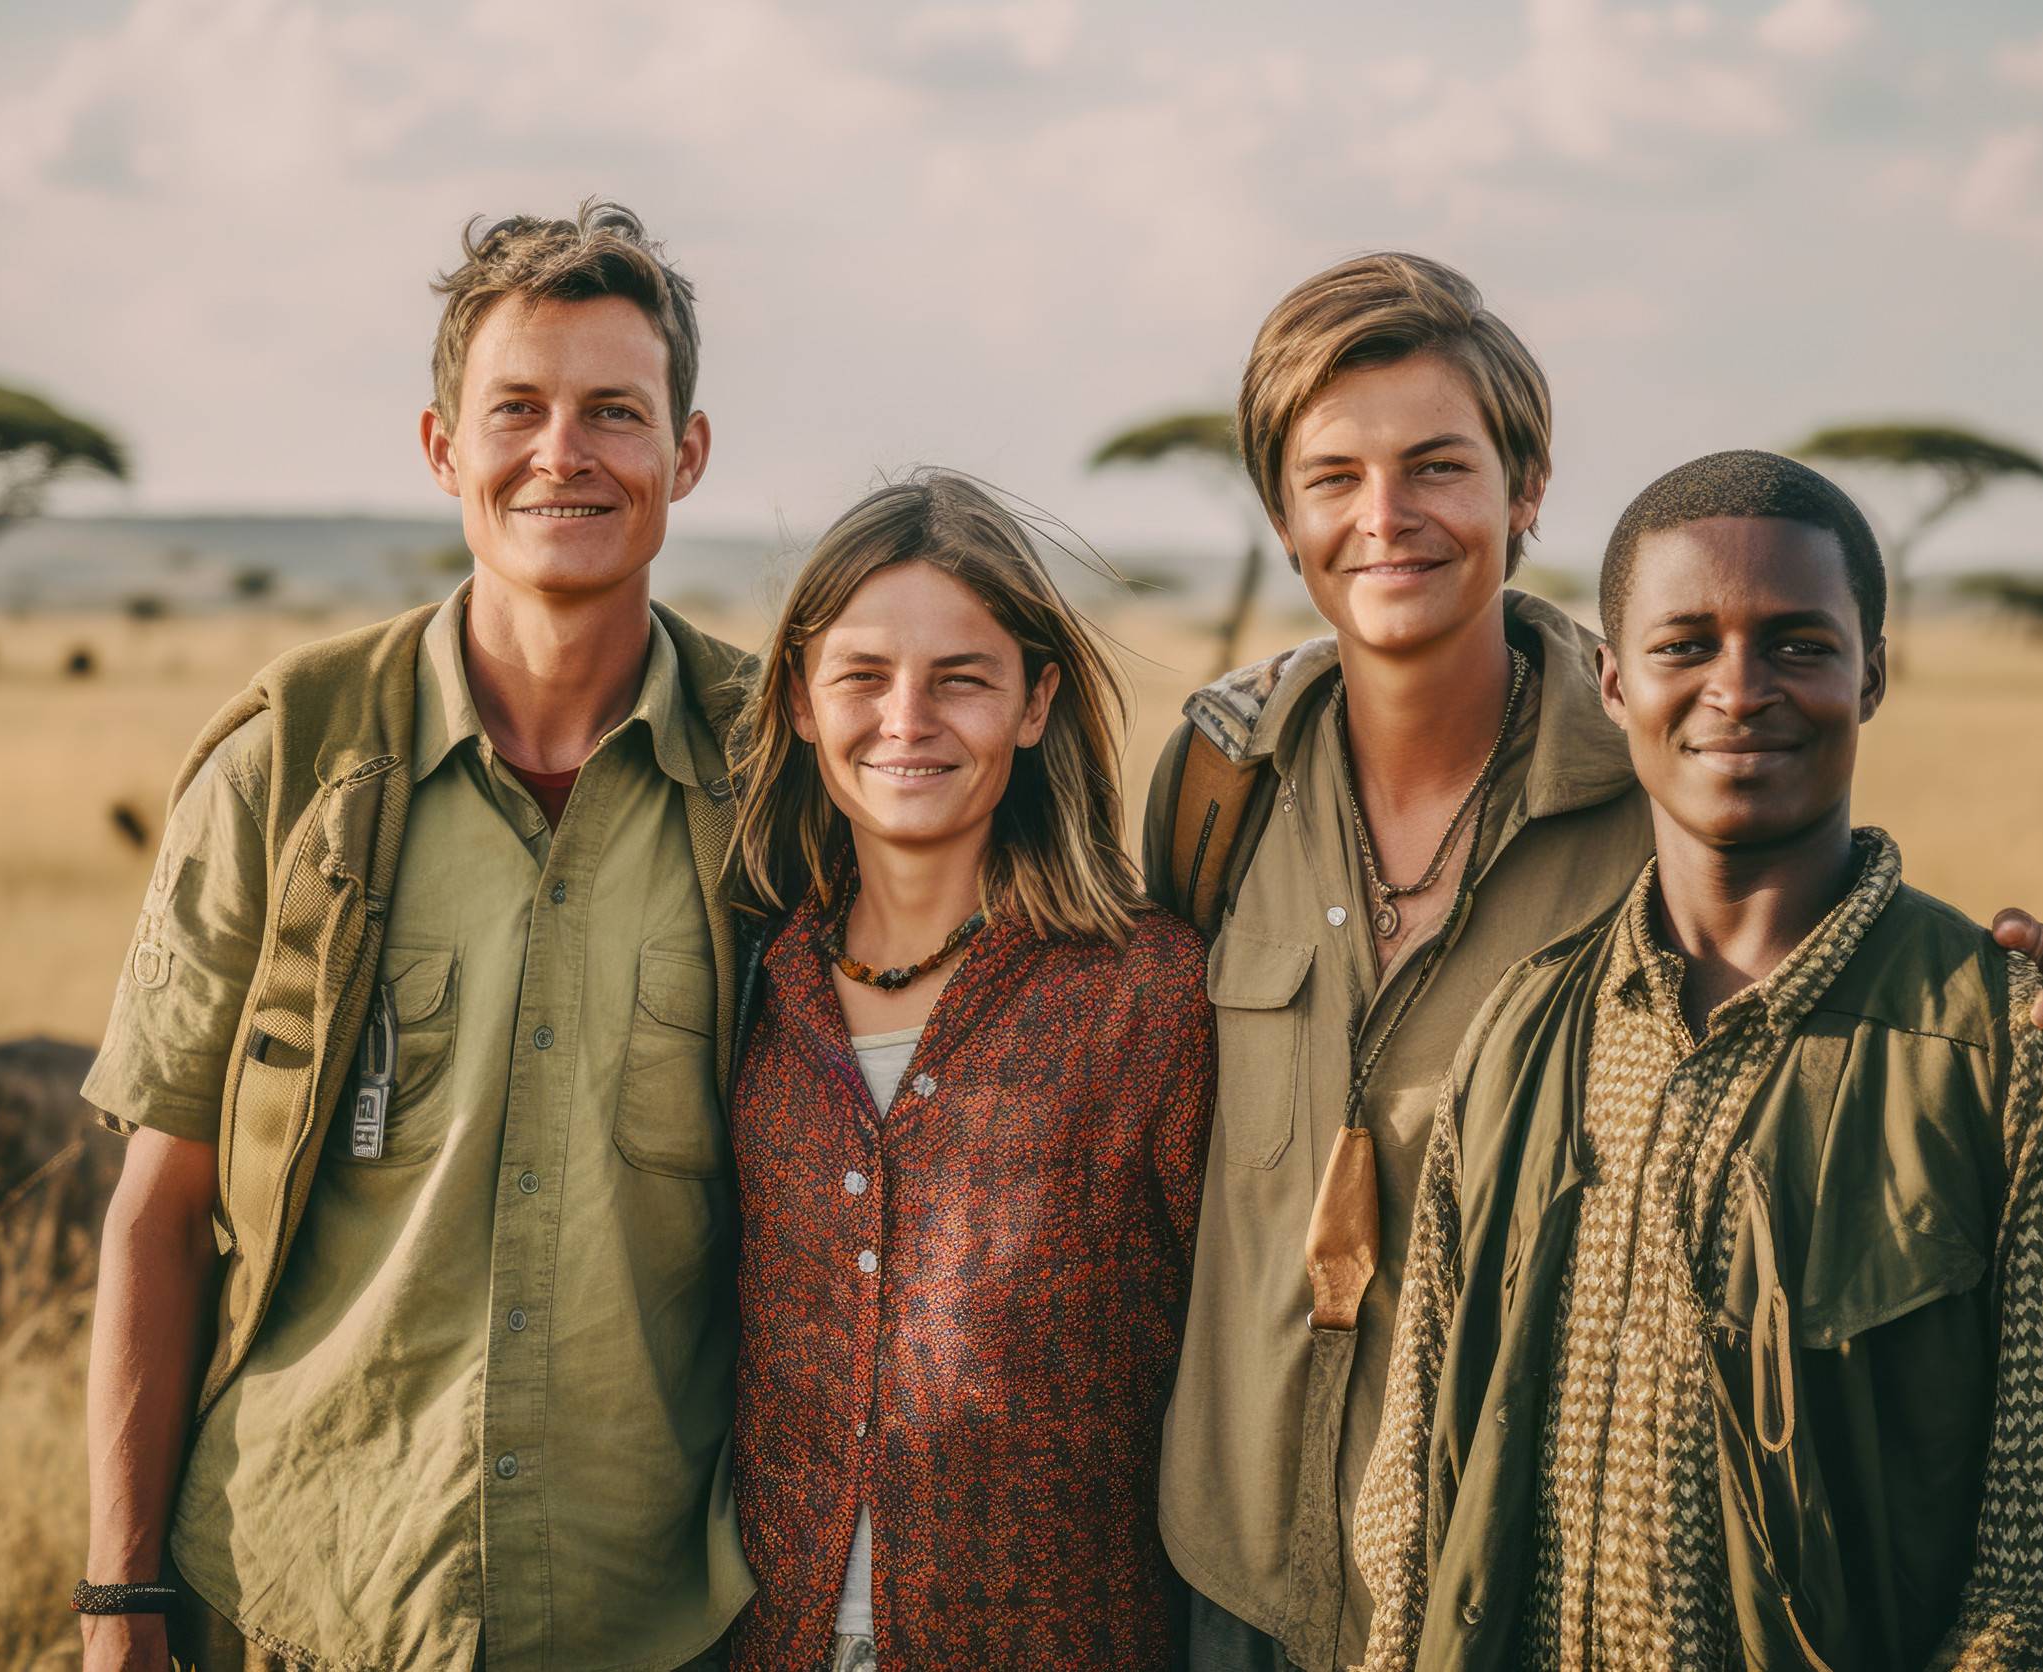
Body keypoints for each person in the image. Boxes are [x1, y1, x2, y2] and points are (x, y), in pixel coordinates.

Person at [1139, 256, 2043, 1672]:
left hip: (1525, 1595)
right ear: (1280, 509)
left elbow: (1824, 977)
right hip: (1232, 1564)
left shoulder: (1666, 784)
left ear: (1526, 486)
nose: (1387, 518)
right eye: (1334, 476)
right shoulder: (1214, 784)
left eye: (1439, 463)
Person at [1353, 449, 2043, 1670]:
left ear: (1873, 674)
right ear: (1614, 681)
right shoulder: (1521, 1030)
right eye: (1686, 645)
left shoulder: (2030, 1062)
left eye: (1799, 643)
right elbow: (1410, 1503)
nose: (1740, 688)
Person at [76, 202, 752, 1672]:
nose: (562, 452)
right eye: (517, 408)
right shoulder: (289, 758)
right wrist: (122, 1601)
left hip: (661, 1615)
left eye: (615, 414)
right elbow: (160, 1203)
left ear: (685, 455)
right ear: (444, 447)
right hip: (311, 1589)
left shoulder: (777, 778)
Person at [721, 471, 1215, 1671]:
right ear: (797, 698)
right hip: (770, 1641)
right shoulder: (755, 985)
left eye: (961, 678)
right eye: (863, 675)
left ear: (1037, 700)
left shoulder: (1146, 997)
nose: (907, 719)